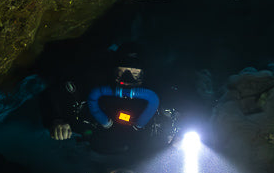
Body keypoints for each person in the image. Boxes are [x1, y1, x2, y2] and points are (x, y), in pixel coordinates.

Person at [44, 43, 178, 157]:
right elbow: (54, 92)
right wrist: (56, 119)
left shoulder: (159, 90)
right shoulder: (95, 84)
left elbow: (185, 106)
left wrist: (180, 134)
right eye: (122, 73)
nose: (127, 80)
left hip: (144, 154)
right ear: (112, 72)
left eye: (135, 74)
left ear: (145, 76)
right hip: (94, 149)